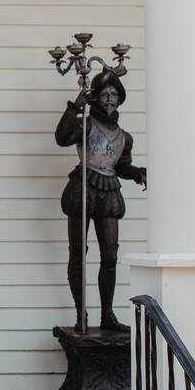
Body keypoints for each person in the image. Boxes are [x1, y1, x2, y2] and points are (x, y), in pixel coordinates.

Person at [55, 70, 146, 331]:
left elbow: (122, 166)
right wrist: (75, 107)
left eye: (113, 95)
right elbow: (61, 138)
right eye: (104, 94)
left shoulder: (124, 137)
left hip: (108, 191)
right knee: (79, 254)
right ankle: (80, 313)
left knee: (109, 255)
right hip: (83, 188)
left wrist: (138, 173)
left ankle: (107, 314)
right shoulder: (86, 125)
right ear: (96, 98)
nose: (109, 99)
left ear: (120, 99)